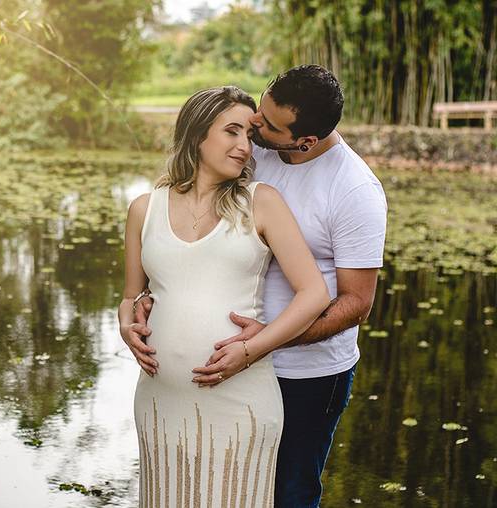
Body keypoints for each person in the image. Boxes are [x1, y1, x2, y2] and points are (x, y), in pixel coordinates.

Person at [126, 65, 388, 507]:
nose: (253, 135)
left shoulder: (354, 190)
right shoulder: (257, 152)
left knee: (288, 492)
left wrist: (261, 344)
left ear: (304, 141)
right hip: (205, 379)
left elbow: (357, 304)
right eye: (254, 121)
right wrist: (148, 301)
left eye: (264, 127)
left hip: (307, 373)